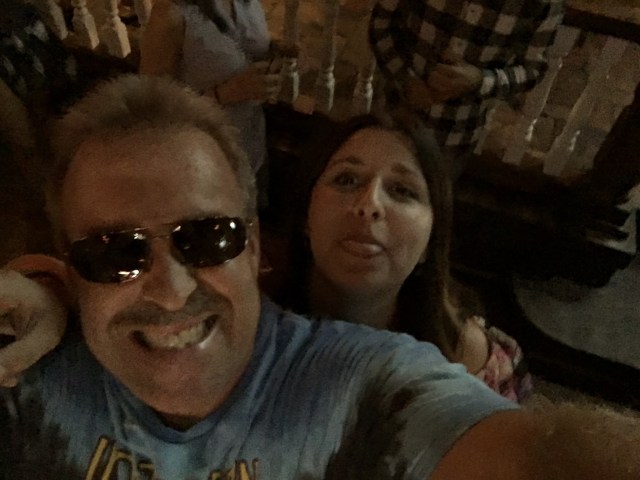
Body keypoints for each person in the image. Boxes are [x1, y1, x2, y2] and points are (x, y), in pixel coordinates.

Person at [1, 74, 639, 480]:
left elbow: (533, 455)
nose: (170, 288)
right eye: (114, 253)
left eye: (208, 237)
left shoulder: (362, 386)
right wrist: (35, 293)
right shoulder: (33, 372)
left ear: (254, 247)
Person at [266, 114, 531, 402]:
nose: (369, 205)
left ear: (431, 241)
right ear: (305, 216)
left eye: (402, 190)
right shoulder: (247, 325)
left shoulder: (472, 365)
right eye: (347, 180)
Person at [368, 0, 565, 176]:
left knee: (433, 200)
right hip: (393, 115)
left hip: (457, 133)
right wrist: (405, 78)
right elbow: (381, 23)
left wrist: (480, 80)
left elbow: (533, 69)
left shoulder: (544, 4)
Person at [139, 0, 283, 174]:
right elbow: (151, 109)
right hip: (202, 166)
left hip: (252, 153)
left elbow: (241, 48)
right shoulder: (170, 14)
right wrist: (227, 92)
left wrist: (273, 53)